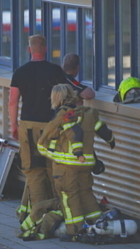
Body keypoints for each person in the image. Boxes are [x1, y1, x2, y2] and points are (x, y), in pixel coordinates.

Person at [10, 36, 93, 221]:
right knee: (52, 168)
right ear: (46, 49)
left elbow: (13, 101)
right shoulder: (55, 71)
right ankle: (57, 212)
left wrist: (14, 125)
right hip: (52, 127)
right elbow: (76, 93)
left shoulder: (20, 72)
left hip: (27, 125)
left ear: (29, 49)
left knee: (33, 170)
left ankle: (38, 215)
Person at [36, 84, 115, 238]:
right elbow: (102, 130)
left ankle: (76, 231)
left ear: (55, 98)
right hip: (85, 165)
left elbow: (42, 141)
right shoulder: (87, 113)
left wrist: (55, 157)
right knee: (86, 193)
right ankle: (99, 223)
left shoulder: (62, 116)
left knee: (68, 197)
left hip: (67, 167)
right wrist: (110, 140)